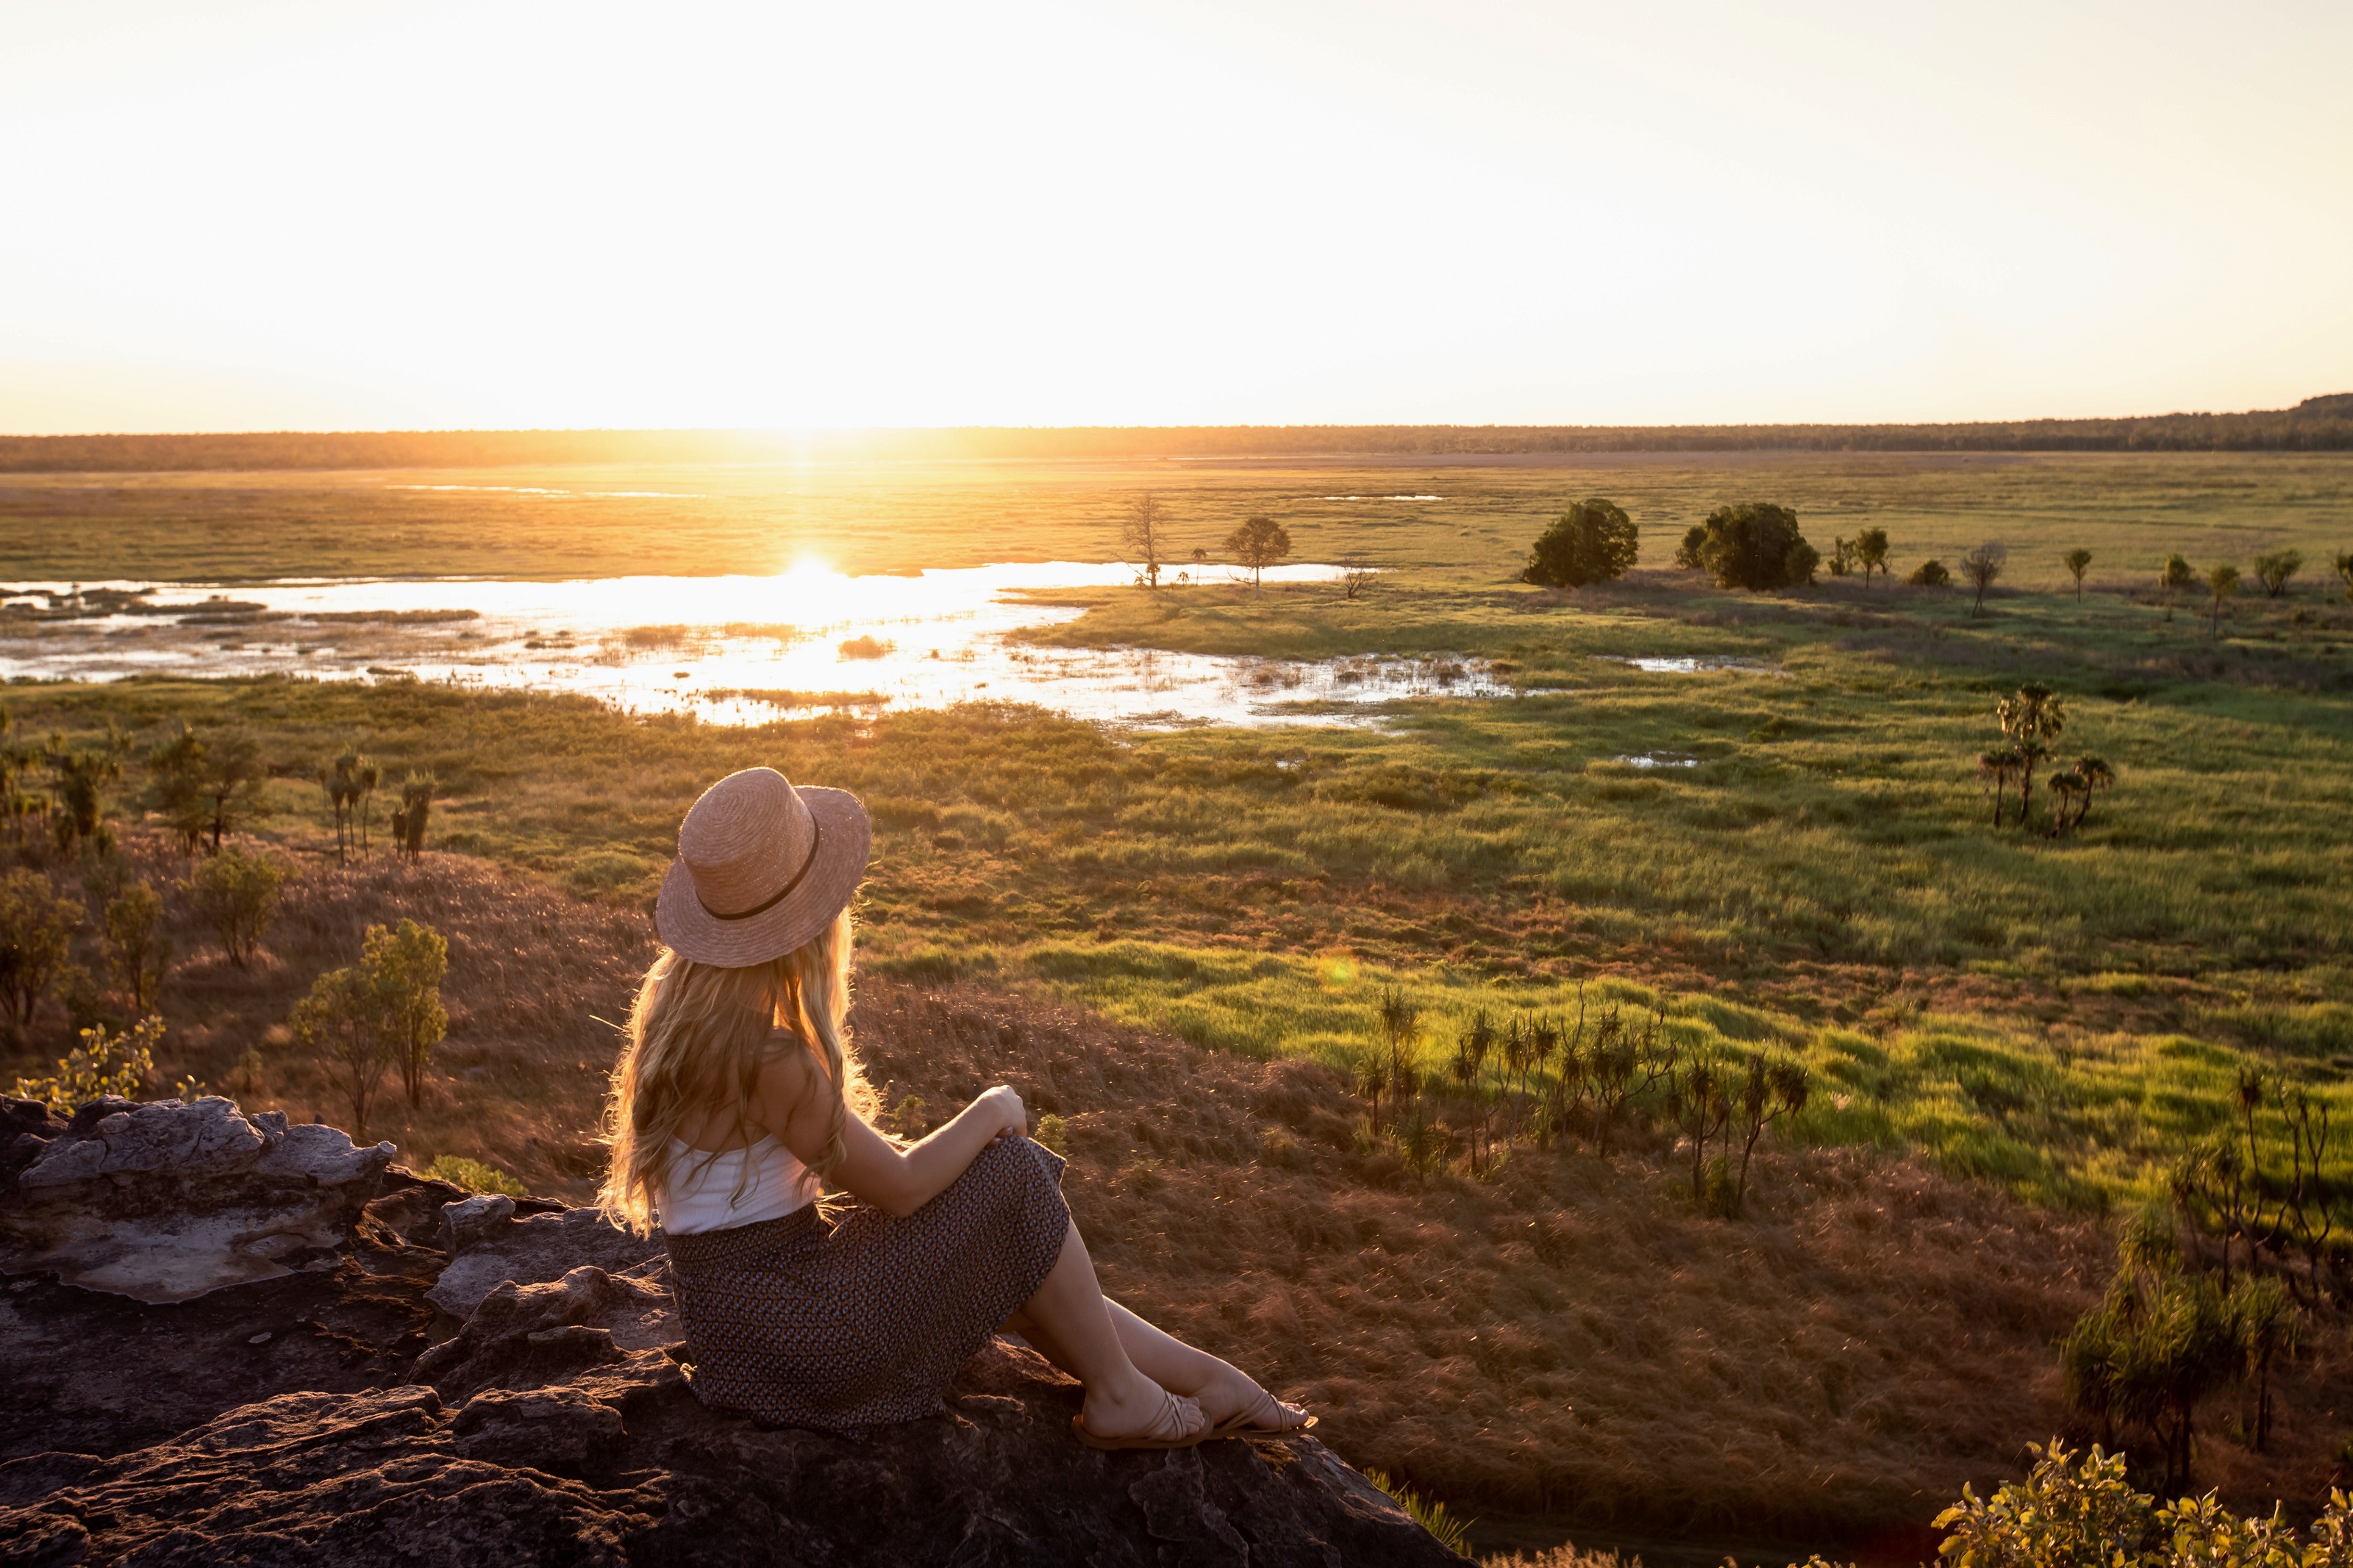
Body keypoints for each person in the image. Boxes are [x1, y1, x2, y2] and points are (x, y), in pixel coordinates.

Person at [599, 765, 1312, 1450]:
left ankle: (1207, 1381)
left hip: (742, 1334)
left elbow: (864, 1183)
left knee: (1004, 1245)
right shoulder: (767, 1058)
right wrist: (991, 1106)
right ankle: (1124, 1397)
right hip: (795, 1334)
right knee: (1014, 1174)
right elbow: (904, 1187)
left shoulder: (680, 1015)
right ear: (808, 924)